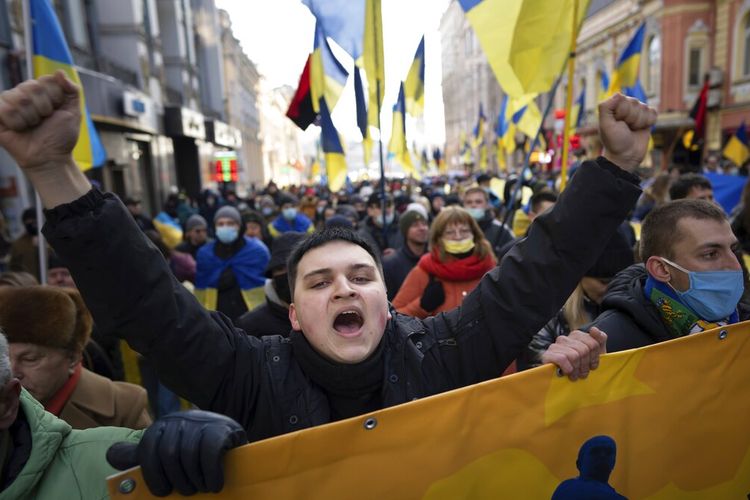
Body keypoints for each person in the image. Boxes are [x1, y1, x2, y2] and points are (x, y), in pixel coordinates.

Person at [0, 73, 652, 443]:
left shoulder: (444, 352)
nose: (344, 287)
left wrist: (616, 169)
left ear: (383, 301)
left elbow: (538, 269)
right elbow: (147, 302)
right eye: (320, 281)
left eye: (362, 275)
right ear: (293, 314)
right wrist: (56, 172)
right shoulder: (246, 374)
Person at [0, 330, 247, 498]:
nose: (18, 369)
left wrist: (211, 457)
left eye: (31, 358)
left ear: (8, 403)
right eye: (13, 359)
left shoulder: (117, 463)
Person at [586, 199, 748, 352]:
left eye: (733, 250)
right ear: (662, 269)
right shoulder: (604, 344)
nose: (734, 265)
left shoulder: (744, 323)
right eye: (711, 254)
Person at [0, 285, 151, 430]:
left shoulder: (123, 410)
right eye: (4, 357)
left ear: (72, 358)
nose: (12, 371)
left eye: (30, 359)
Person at [519, 231, 635, 369]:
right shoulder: (549, 310)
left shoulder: (634, 308)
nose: (613, 288)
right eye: (604, 282)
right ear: (580, 277)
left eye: (622, 281)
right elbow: (533, 365)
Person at [392, 207, 496, 318]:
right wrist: (422, 306)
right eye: (450, 232)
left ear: (474, 234)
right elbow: (395, 318)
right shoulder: (426, 270)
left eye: (464, 231)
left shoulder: (490, 268)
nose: (458, 237)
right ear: (439, 238)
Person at [195, 205, 270, 321]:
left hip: (254, 316)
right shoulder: (204, 254)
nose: (225, 227)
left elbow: (268, 285)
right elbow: (200, 290)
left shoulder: (258, 251)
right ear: (214, 227)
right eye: (220, 224)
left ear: (240, 226)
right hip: (217, 318)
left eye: (230, 223)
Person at [235, 232, 306, 337]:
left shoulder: (326, 314)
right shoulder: (249, 326)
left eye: (294, 268)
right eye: (280, 269)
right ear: (272, 274)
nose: (288, 275)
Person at [552, 435, 625, 500]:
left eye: (608, 452)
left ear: (614, 462)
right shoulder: (568, 488)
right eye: (595, 452)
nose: (603, 456)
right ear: (579, 464)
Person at [382, 210, 429, 301]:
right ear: (405, 231)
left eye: (424, 224)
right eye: (415, 225)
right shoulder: (391, 264)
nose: (422, 228)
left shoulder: (435, 258)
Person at [462, 186, 515, 256]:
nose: (473, 205)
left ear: (487, 205)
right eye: (469, 202)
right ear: (463, 205)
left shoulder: (502, 230)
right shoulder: (456, 229)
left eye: (478, 202)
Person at [358, 192, 403, 256]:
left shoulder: (404, 229)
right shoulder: (361, 235)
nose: (386, 210)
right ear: (369, 210)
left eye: (389, 205)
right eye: (380, 206)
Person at [9, 207, 41, 281]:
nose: (33, 224)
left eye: (34, 221)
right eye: (29, 222)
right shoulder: (18, 244)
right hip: (29, 283)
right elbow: (13, 267)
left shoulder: (48, 240)